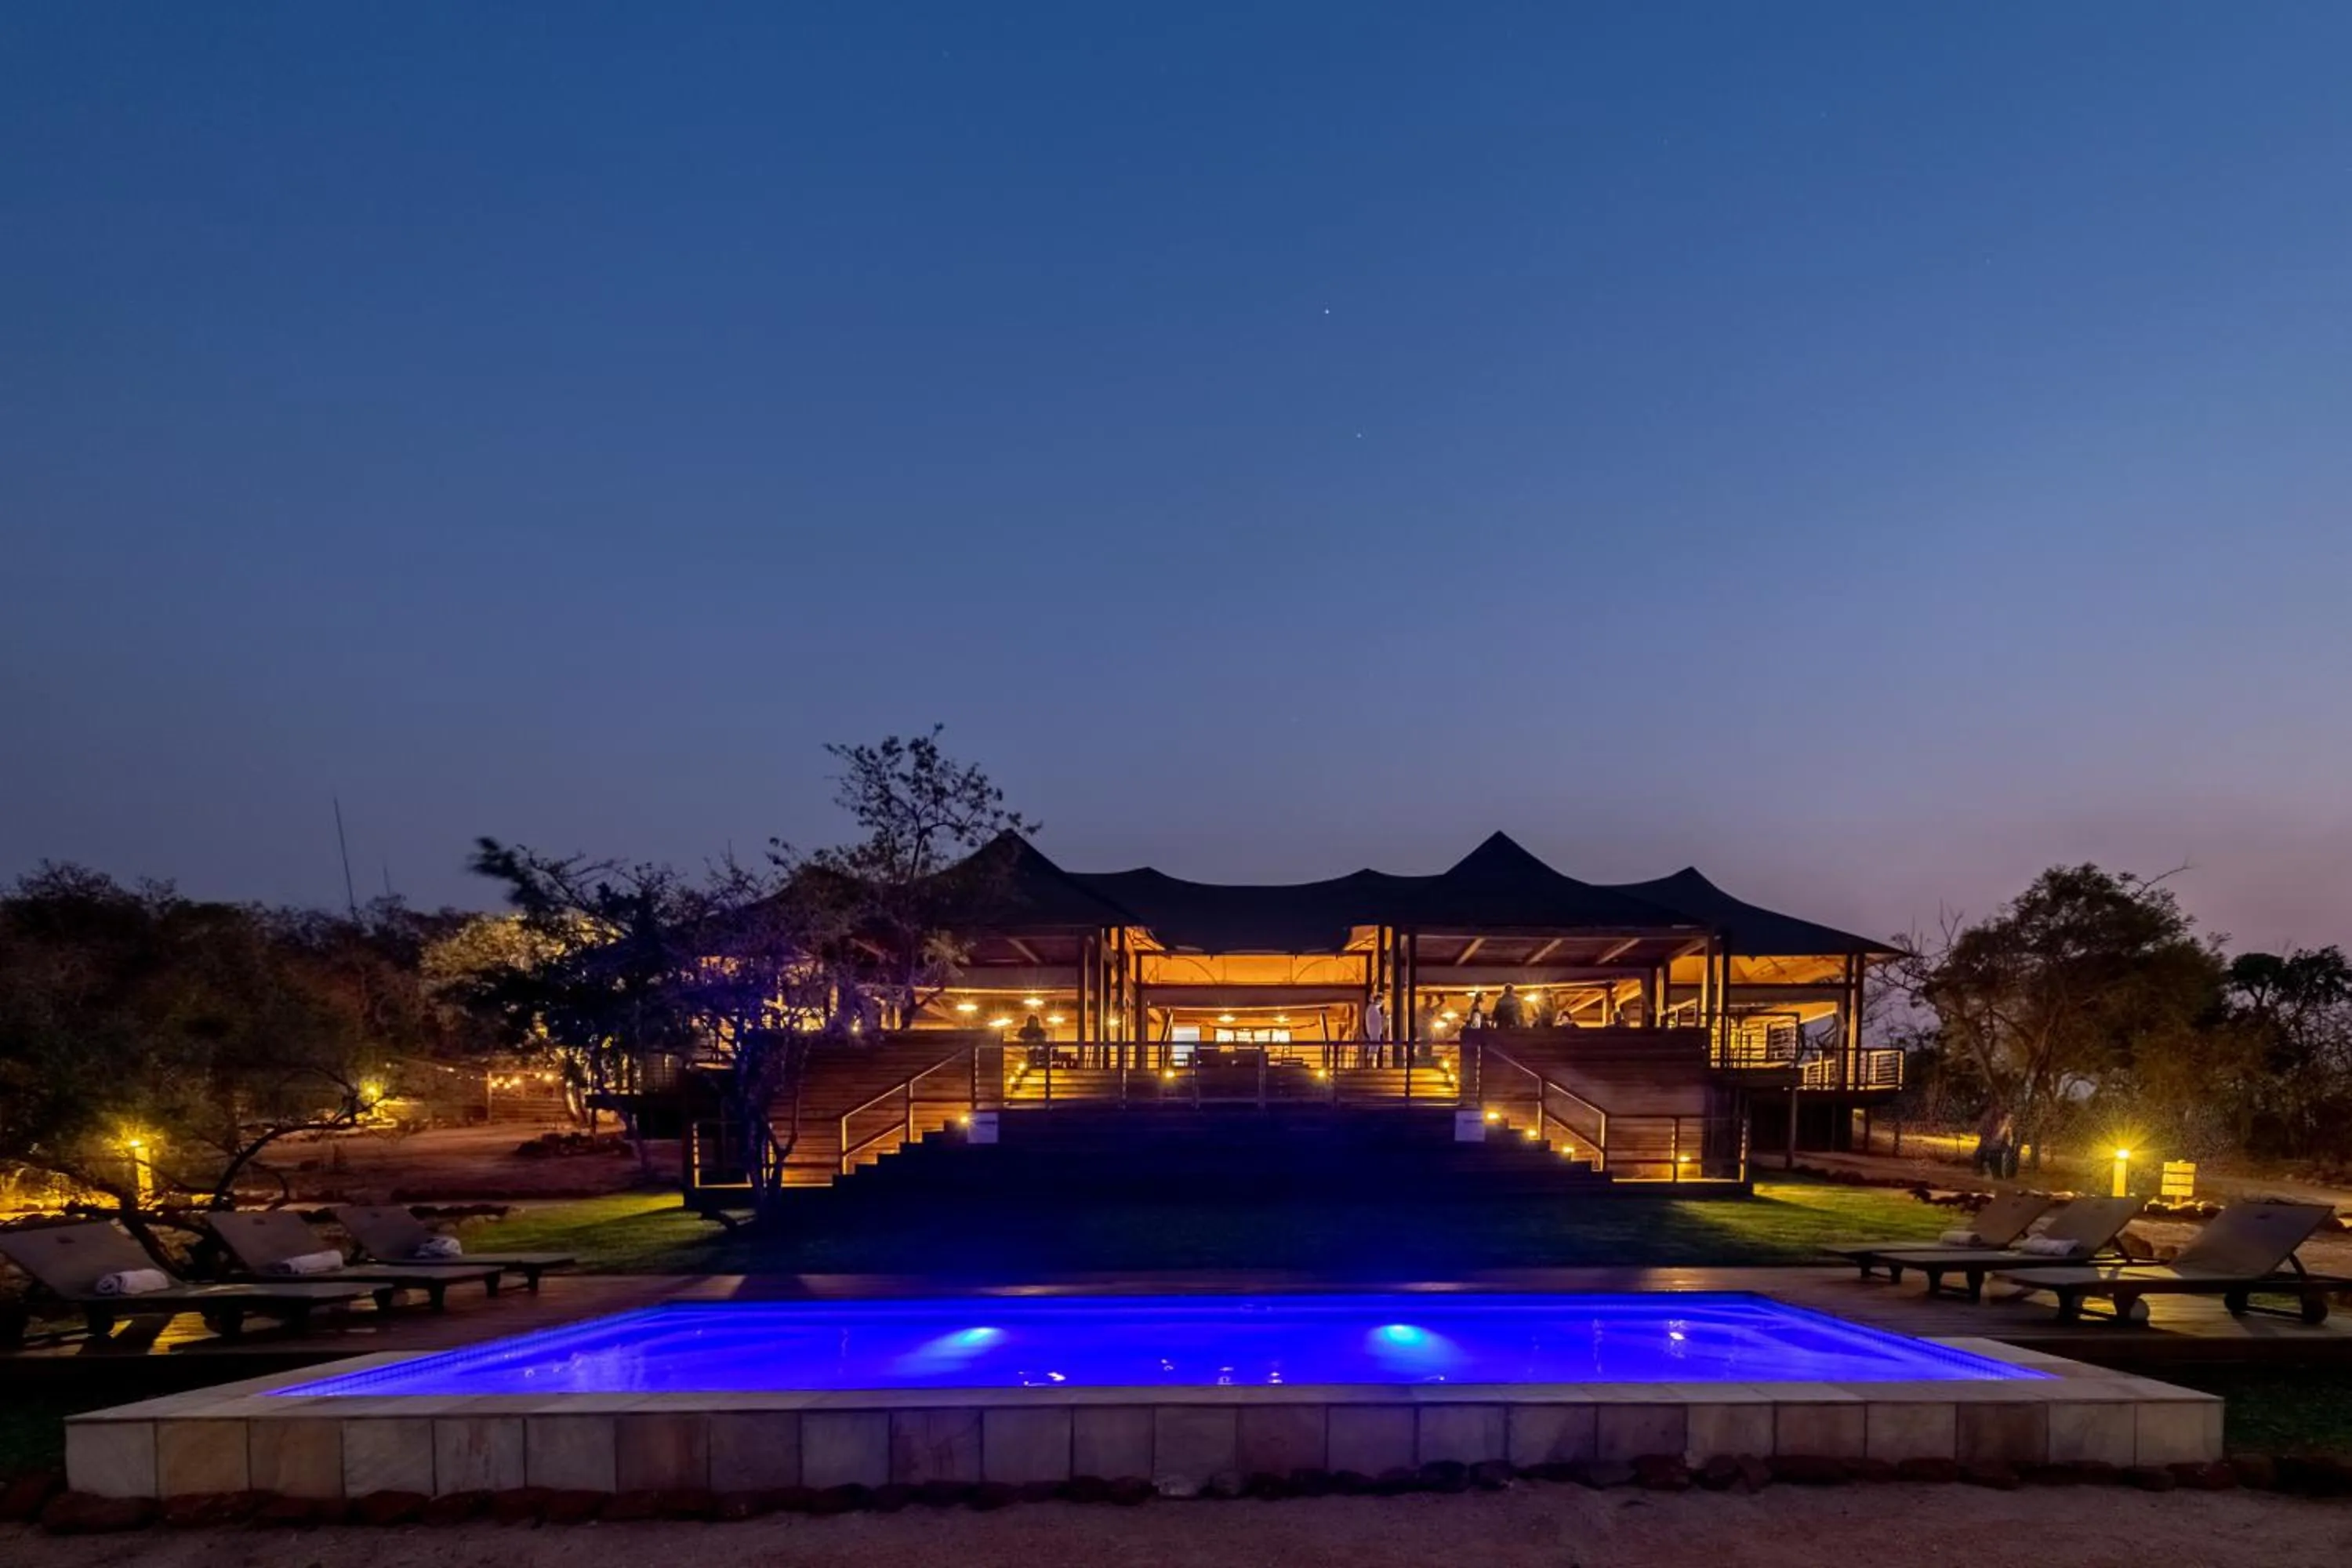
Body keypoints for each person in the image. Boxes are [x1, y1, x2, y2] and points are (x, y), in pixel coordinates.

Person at [1359, 994, 1386, 1069]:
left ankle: (1371, 1064)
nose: (1381, 1003)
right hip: (1374, 1031)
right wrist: (1383, 1019)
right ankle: (1370, 1064)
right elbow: (1377, 1021)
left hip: (1374, 1032)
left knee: (1374, 1047)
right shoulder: (1372, 1009)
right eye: (1380, 1001)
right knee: (1374, 1047)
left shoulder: (1372, 1009)